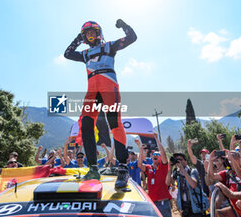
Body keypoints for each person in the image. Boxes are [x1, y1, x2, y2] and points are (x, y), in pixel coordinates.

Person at [64, 19, 137, 188]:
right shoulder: (84, 54)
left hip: (109, 88)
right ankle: (93, 168)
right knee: (86, 125)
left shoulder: (109, 47)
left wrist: (124, 25)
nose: (90, 36)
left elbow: (132, 37)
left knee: (114, 124)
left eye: (92, 32)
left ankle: (123, 168)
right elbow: (67, 54)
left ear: (99, 34)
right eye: (86, 34)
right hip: (92, 92)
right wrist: (77, 38)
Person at [138, 133, 172, 217]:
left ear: (161, 158)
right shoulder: (149, 168)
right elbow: (139, 165)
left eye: (157, 154)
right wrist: (140, 150)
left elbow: (163, 153)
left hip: (163, 203)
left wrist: (156, 139)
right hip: (152, 203)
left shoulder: (163, 166)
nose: (155, 155)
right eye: (153, 154)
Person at [166, 152, 209, 217]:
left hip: (195, 204)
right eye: (177, 160)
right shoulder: (177, 172)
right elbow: (167, 182)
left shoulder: (192, 171)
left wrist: (183, 170)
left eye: (180, 159)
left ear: (186, 161)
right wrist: (170, 168)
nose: (178, 162)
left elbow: (193, 184)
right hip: (184, 206)